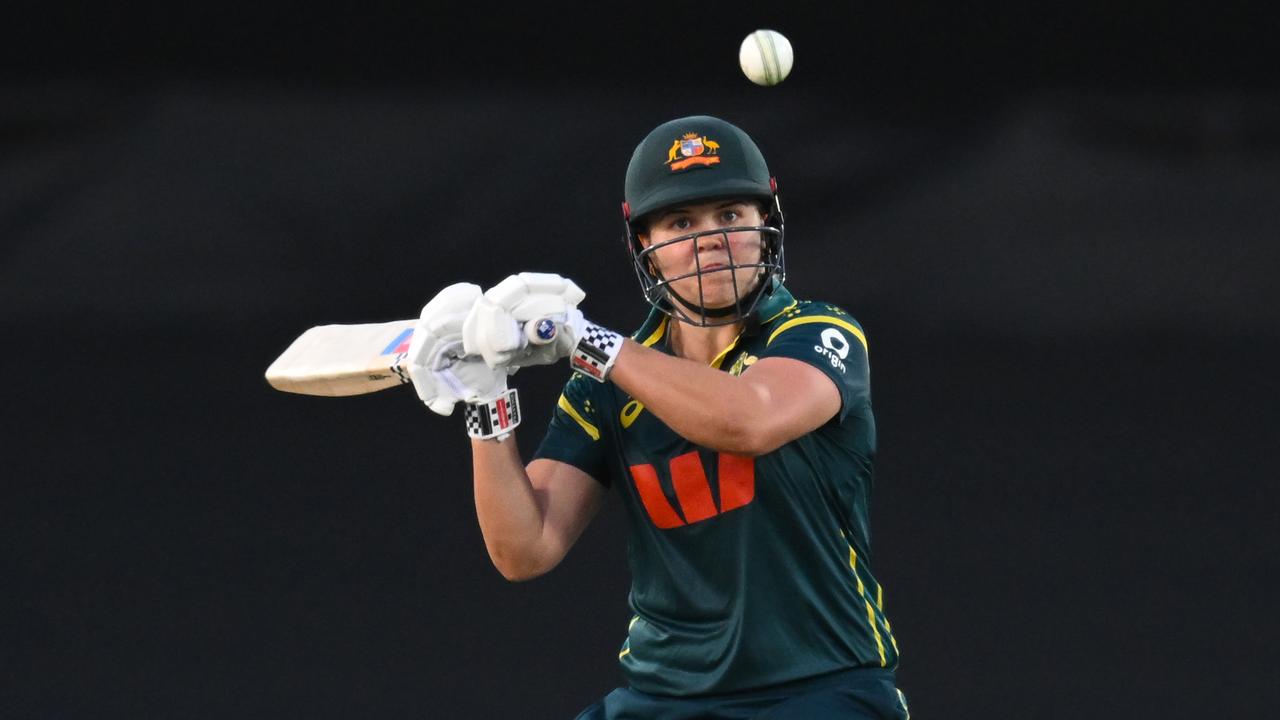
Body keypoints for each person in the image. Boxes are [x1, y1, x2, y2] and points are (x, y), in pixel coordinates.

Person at [406, 115, 910, 719]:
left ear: (765, 223)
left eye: (730, 214)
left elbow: (748, 420)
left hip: (821, 689)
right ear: (644, 245)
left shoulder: (818, 333)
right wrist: (487, 402)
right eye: (681, 223)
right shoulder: (605, 386)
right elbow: (524, 549)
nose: (710, 239)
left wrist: (589, 342)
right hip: (663, 696)